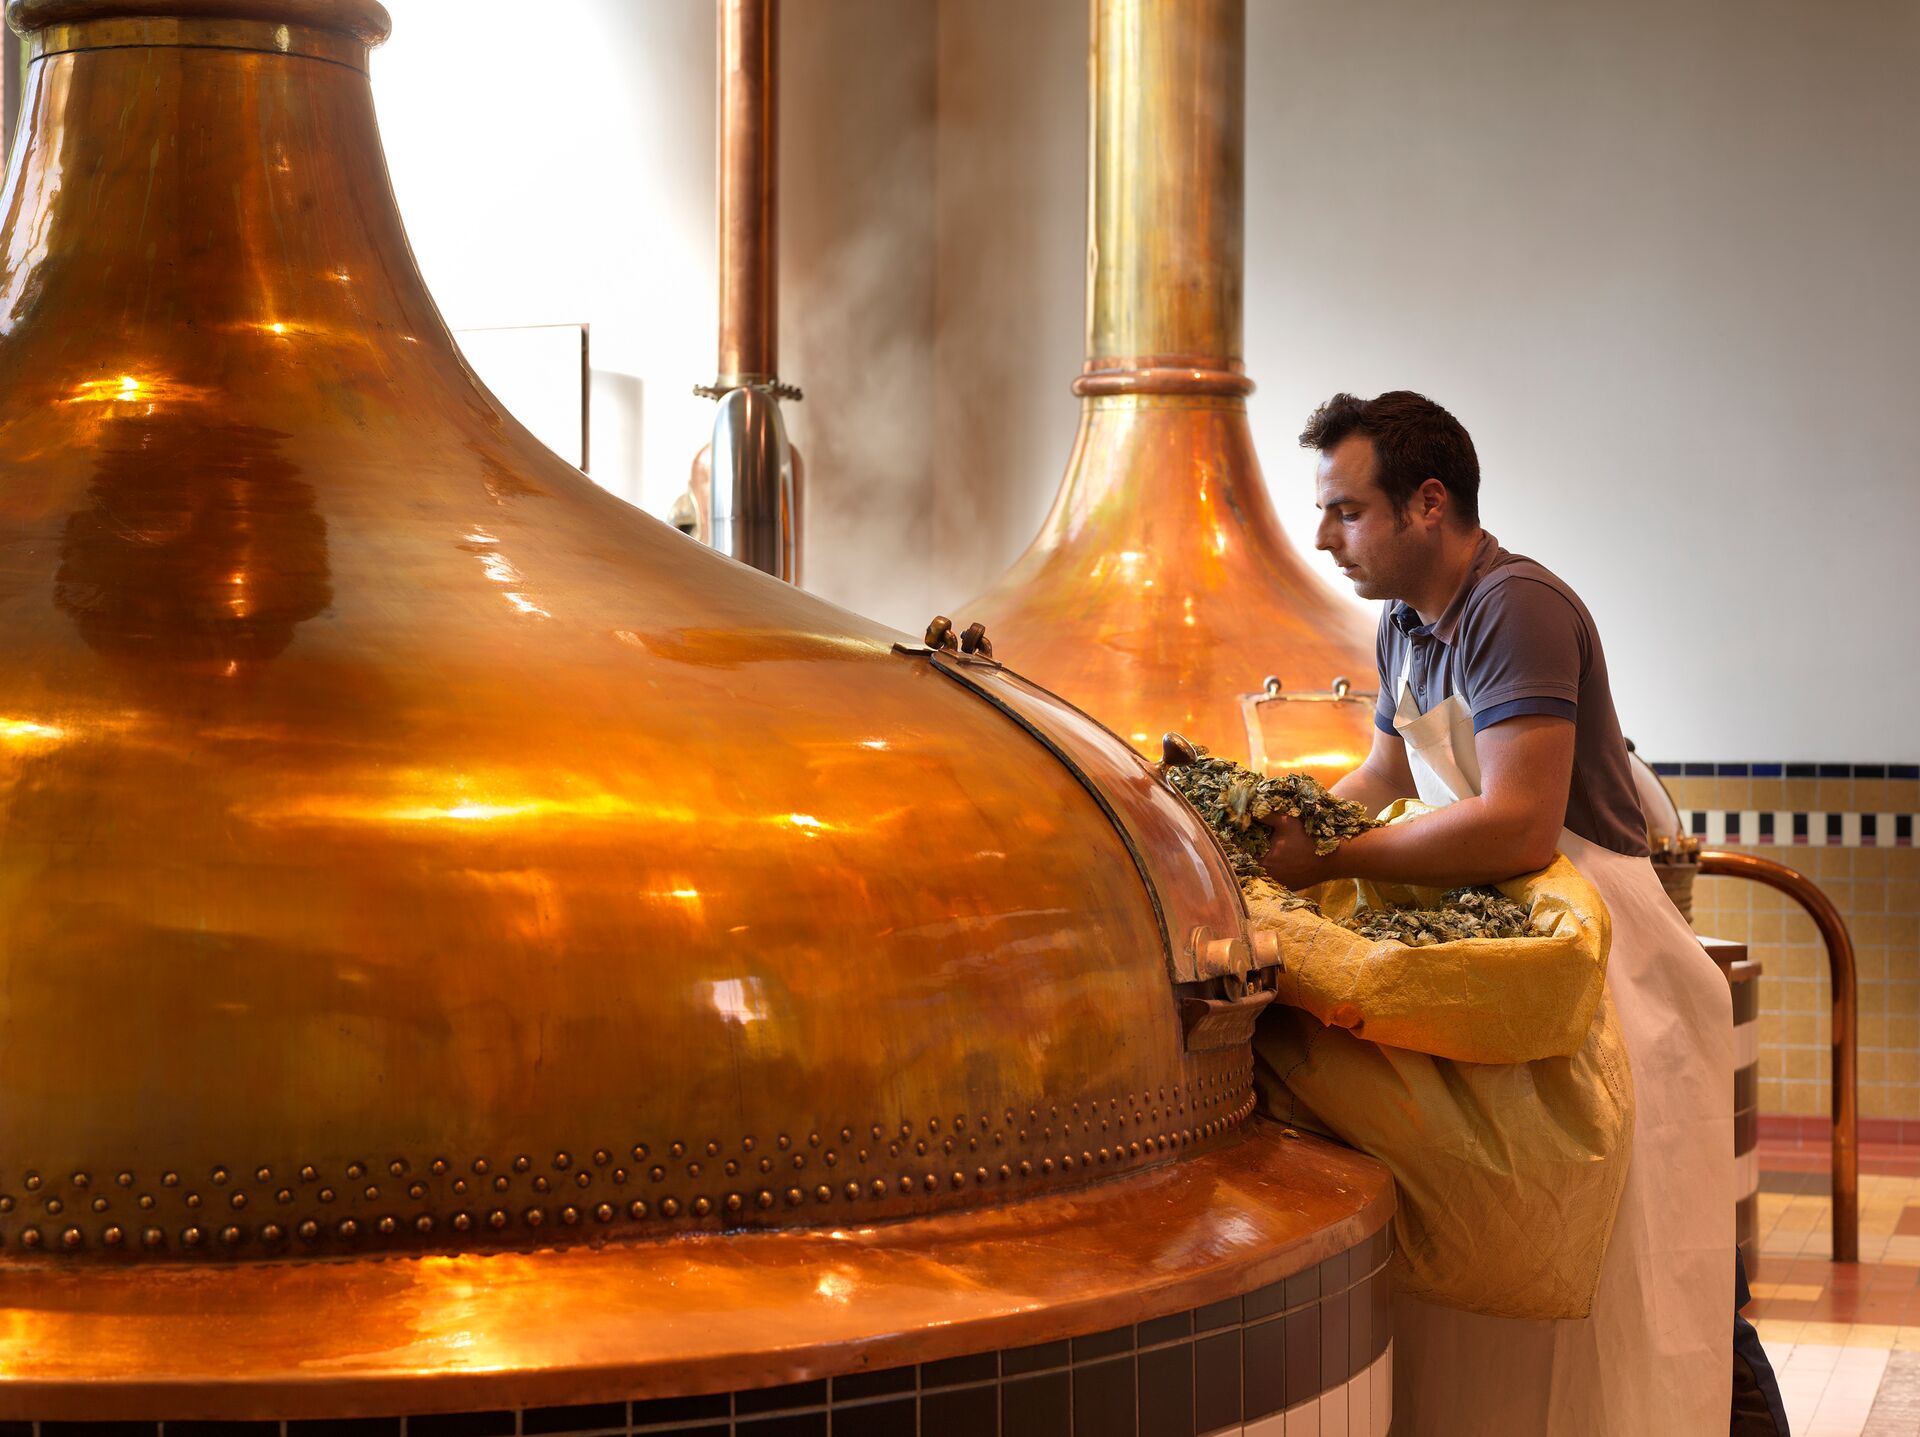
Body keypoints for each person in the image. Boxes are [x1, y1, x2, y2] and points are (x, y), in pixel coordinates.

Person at [1257, 391, 1775, 1435]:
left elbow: (1520, 828)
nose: (1322, 539)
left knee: (1649, 1270)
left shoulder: (1514, 607)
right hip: (1521, 947)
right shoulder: (1406, 625)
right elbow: (1380, 773)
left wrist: (1326, 864)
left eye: (1347, 512)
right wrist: (1262, 834)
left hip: (1607, 959)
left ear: (1429, 505)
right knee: (1536, 1262)